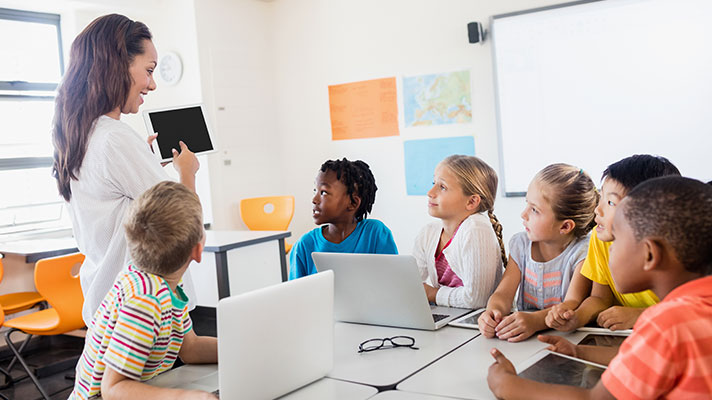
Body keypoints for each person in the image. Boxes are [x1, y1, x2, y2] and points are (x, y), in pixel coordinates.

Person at [487, 176, 712, 399]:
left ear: (650, 254)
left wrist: (506, 385)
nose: (610, 250)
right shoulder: (696, 310)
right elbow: (648, 358)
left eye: (617, 240)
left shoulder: (667, 323)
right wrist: (579, 352)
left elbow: (596, 399)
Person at [51, 14, 201, 325]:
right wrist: (188, 172)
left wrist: (141, 161)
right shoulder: (115, 138)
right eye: (148, 71)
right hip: (140, 310)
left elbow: (116, 206)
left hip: (106, 303)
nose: (152, 84)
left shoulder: (82, 136)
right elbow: (183, 226)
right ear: (117, 65)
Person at [70, 181, 217, 400]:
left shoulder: (167, 287)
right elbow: (112, 389)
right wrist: (187, 397)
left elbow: (190, 348)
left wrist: (239, 347)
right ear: (197, 251)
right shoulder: (146, 299)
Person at [545, 154, 680, 332]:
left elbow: (691, 308)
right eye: (601, 197)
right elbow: (600, 298)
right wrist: (577, 318)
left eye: (610, 202)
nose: (597, 209)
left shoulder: (676, 250)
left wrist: (640, 315)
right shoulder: (600, 238)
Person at [478, 164, 597, 342]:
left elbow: (572, 304)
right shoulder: (521, 245)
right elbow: (503, 293)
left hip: (566, 340)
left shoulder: (582, 252)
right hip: (523, 337)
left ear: (565, 226)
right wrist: (492, 312)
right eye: (527, 204)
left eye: (534, 210)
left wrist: (535, 321)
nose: (523, 214)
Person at [413, 155, 506, 309]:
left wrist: (433, 294)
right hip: (450, 316)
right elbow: (412, 285)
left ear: (471, 202)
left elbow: (476, 300)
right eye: (433, 183)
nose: (430, 192)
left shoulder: (476, 228)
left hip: (481, 323)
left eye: (442, 187)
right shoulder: (428, 233)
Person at [288, 158, 398, 279]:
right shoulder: (304, 246)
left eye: (323, 192)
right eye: (315, 190)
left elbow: (392, 283)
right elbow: (296, 295)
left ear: (353, 203)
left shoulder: (375, 234)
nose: (314, 200)